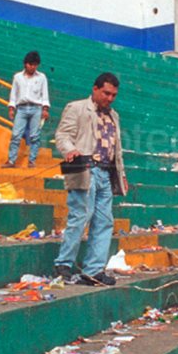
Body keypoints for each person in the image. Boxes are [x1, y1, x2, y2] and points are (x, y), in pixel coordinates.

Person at [52, 73, 127, 286]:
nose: (110, 98)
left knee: (104, 221)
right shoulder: (76, 108)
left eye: (113, 95)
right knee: (80, 215)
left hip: (106, 173)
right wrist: (70, 150)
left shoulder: (115, 116)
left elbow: (116, 148)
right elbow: (62, 135)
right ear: (95, 89)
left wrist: (121, 174)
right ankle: (64, 264)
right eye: (106, 93)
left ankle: (93, 270)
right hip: (85, 169)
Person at [4, 51, 50, 168]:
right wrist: (11, 108)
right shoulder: (17, 77)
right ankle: (11, 160)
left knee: (35, 136)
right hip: (21, 108)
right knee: (16, 135)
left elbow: (44, 94)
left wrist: (45, 109)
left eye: (35, 65)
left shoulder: (42, 77)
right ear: (25, 64)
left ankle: (32, 161)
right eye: (30, 64)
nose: (33, 67)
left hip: (36, 108)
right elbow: (13, 94)